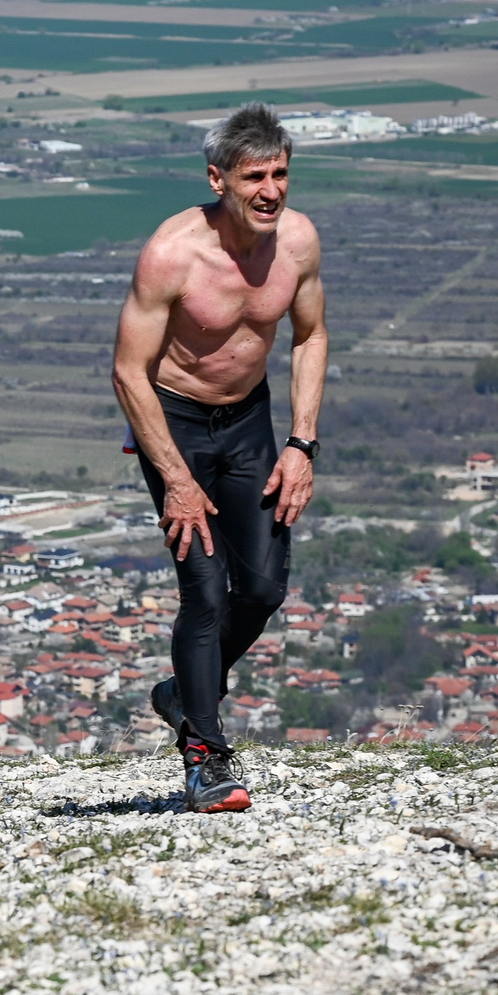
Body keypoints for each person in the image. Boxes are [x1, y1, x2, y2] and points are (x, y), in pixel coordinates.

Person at [112, 101, 327, 815]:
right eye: (253, 176)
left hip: (249, 424)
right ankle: (205, 753)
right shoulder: (172, 253)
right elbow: (127, 371)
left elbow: (311, 335)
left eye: (281, 174)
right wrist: (173, 477)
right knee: (204, 591)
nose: (271, 190)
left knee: (262, 588)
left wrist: (301, 442)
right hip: (175, 426)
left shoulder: (296, 244)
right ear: (218, 180)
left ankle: (181, 693)